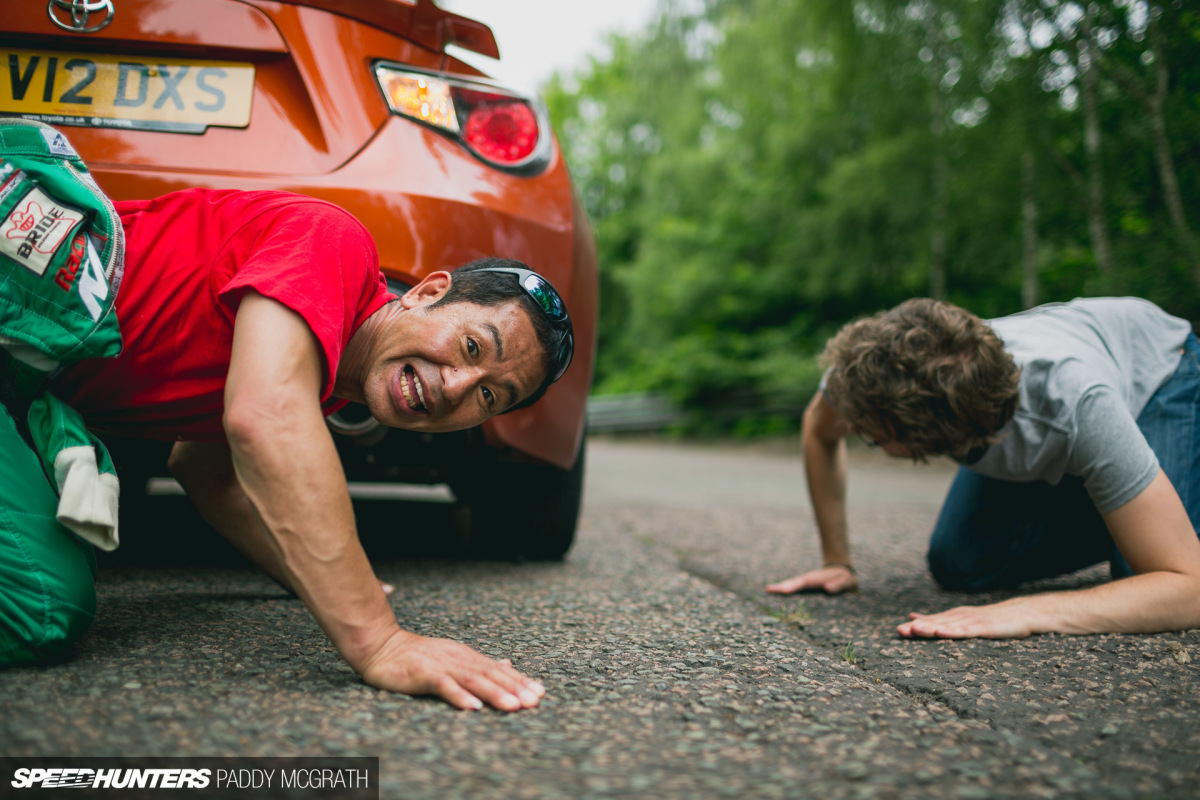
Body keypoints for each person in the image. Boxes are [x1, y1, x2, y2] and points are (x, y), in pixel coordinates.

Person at [0, 122, 574, 712]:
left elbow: (207, 470)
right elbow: (263, 417)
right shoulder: (334, 242)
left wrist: (320, 576)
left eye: (489, 399)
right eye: (473, 348)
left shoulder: (319, 376)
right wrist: (378, 637)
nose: (457, 386)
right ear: (427, 291)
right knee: (41, 604)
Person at [768, 296, 1200, 639]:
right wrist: (836, 561)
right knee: (962, 564)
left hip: (1164, 369)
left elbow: (1190, 590)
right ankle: (1131, 505)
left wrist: (1034, 610)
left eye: (871, 435)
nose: (855, 429)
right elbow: (818, 429)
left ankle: (1152, 506)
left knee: (1144, 579)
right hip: (1061, 386)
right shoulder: (868, 373)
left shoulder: (1081, 406)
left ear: (930, 437)